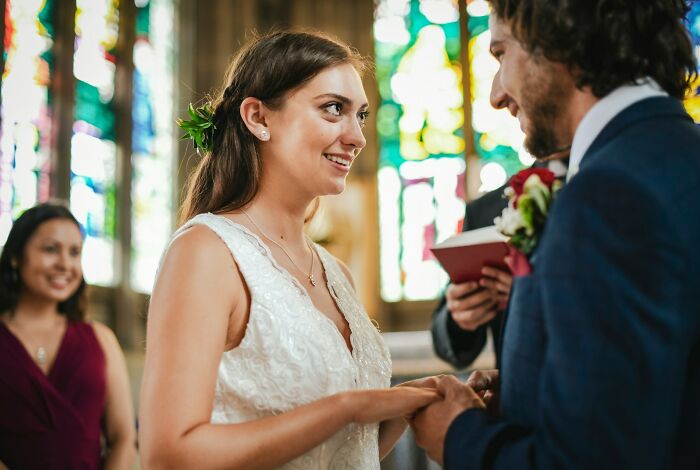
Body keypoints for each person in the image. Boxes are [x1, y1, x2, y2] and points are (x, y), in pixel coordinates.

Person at [410, 0, 700, 468]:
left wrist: (458, 436)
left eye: (501, 53)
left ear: (558, 36)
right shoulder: (677, 156)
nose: (496, 95)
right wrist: (536, 390)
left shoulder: (605, 197)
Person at [138, 30, 439, 469]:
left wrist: (413, 401)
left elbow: (343, 454)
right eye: (333, 109)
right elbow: (169, 455)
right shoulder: (208, 251)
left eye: (361, 116)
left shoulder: (336, 272)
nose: (356, 137)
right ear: (258, 117)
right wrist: (346, 406)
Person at [0, 203, 136, 469]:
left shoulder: (101, 339)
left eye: (75, 253)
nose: (65, 264)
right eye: (50, 249)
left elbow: (123, 438)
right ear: (16, 256)